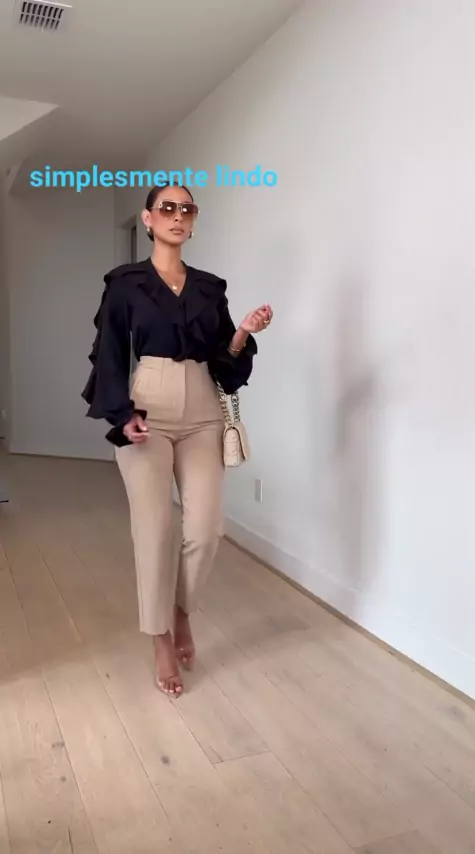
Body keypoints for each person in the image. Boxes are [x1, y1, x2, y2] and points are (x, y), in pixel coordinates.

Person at [82, 182, 273, 696]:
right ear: (147, 219)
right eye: (167, 207)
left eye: (186, 209)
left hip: (202, 408)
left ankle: (182, 611)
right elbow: (110, 351)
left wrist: (242, 333)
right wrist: (122, 413)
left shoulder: (210, 288)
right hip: (148, 404)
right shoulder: (125, 283)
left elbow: (224, 363)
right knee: (154, 530)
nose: (178, 215)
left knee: (206, 529)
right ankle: (160, 637)